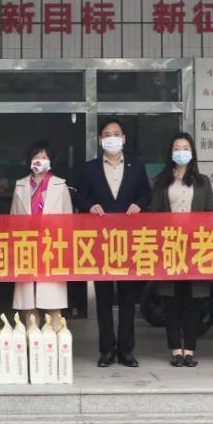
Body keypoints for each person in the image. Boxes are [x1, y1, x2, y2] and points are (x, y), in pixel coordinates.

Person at [73, 119, 152, 368]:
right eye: (107, 134)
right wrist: (89, 206)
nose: (112, 138)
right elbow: (78, 195)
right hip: (101, 242)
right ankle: (106, 349)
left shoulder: (136, 166)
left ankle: (126, 350)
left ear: (124, 138)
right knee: (104, 297)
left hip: (128, 241)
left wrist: (139, 205)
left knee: (128, 298)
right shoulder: (90, 169)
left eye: (116, 134)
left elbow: (146, 194)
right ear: (100, 140)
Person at [150, 133, 213, 368]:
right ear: (171, 153)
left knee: (192, 301)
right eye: (177, 148)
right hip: (170, 246)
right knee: (171, 300)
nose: (181, 152)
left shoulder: (203, 181)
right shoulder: (161, 181)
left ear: (192, 152)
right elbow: (154, 214)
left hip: (195, 248)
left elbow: (210, 213)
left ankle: (190, 349)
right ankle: (176, 350)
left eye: (185, 147)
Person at [11, 141, 73, 327]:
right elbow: (13, 220)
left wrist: (66, 249)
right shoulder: (21, 185)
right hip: (26, 247)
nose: (40, 160)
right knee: (28, 304)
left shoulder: (60, 185)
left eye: (44, 157)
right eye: (36, 157)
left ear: (51, 161)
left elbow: (68, 221)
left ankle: (56, 341)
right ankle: (33, 340)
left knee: (53, 303)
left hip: (52, 248)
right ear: (29, 160)